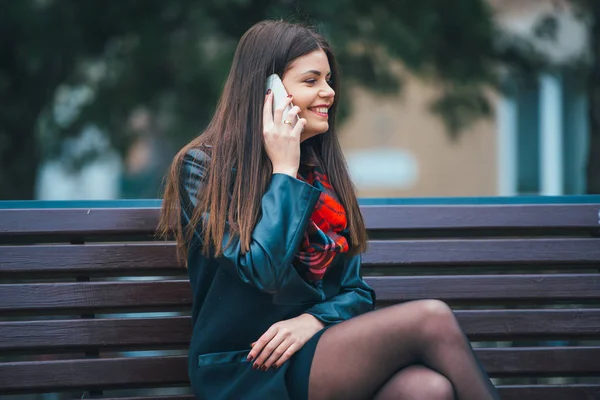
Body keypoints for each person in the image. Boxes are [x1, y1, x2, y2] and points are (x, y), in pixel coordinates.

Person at [158, 19, 500, 400]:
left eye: (328, 79)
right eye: (311, 81)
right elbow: (263, 271)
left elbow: (356, 292)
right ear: (267, 91)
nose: (328, 92)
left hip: (314, 350)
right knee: (431, 317)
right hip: (245, 366)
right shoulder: (202, 170)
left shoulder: (322, 175)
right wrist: (284, 172)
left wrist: (313, 320)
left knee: (428, 389)